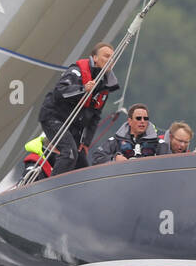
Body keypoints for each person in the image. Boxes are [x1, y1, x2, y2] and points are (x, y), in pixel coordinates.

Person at [38, 42, 121, 173]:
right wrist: (83, 89)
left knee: (81, 165)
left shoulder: (105, 85)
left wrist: (86, 143)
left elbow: (95, 117)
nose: (110, 60)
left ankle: (75, 192)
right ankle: (50, 189)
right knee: (69, 153)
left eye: (112, 57)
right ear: (94, 58)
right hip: (53, 118)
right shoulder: (76, 72)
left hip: (73, 126)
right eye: (106, 56)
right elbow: (60, 92)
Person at [89, 103, 161, 165]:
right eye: (138, 118)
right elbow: (96, 158)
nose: (142, 121)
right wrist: (114, 158)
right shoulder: (115, 141)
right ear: (130, 121)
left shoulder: (159, 143)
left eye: (145, 118)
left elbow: (168, 162)